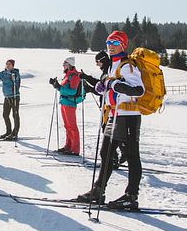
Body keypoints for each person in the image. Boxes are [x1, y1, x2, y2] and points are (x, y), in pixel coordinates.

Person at [76, 31, 145, 210]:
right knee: (106, 153)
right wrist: (100, 88)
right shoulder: (112, 66)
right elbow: (110, 89)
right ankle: (99, 190)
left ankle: (131, 196)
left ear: (123, 44)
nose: (110, 45)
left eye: (114, 42)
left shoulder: (127, 65)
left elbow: (138, 90)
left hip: (129, 115)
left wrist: (112, 84)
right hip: (115, 115)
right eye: (108, 42)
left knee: (131, 155)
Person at [80, 51, 125, 169]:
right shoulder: (107, 71)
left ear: (103, 60)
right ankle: (118, 156)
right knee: (110, 131)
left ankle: (113, 159)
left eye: (98, 62)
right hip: (108, 107)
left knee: (108, 132)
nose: (97, 64)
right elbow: (99, 84)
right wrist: (87, 78)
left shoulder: (108, 71)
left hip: (109, 107)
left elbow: (102, 89)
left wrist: (90, 89)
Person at [49, 57, 82, 155]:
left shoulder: (74, 76)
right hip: (64, 103)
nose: (63, 65)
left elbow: (73, 91)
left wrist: (59, 87)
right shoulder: (67, 75)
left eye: (65, 63)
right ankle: (68, 146)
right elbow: (64, 89)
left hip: (70, 103)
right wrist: (55, 85)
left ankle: (75, 149)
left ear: (70, 64)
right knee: (67, 126)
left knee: (72, 126)